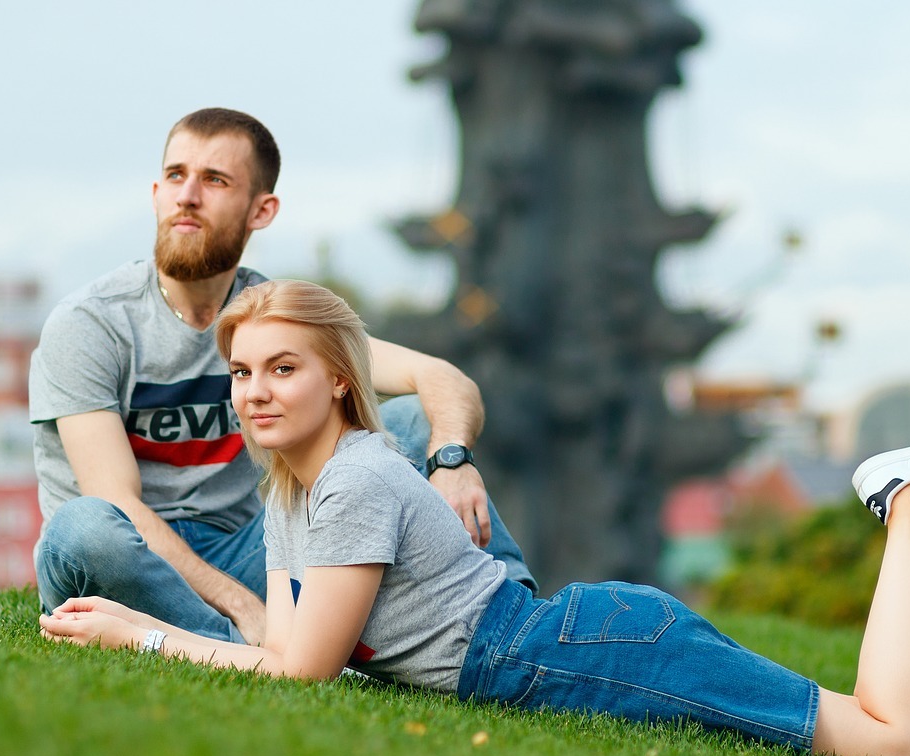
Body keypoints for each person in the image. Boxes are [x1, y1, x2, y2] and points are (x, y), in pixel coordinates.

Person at [40, 280, 910, 756]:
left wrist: (140, 631)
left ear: (339, 381)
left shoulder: (354, 478)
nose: (254, 391)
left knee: (900, 746)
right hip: (573, 639)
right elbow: (282, 641)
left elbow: (300, 671)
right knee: (874, 717)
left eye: (282, 368)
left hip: (584, 654)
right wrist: (203, 625)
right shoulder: (290, 489)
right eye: (239, 372)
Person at [30, 108, 534, 647]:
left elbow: (440, 377)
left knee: (410, 418)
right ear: (156, 192)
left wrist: (451, 458)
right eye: (176, 176)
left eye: (215, 180)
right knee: (85, 528)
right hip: (126, 555)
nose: (188, 195)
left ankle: (512, 620)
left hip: (247, 547)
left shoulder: (270, 318)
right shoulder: (91, 323)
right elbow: (119, 504)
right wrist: (246, 605)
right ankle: (247, 648)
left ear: (261, 209)